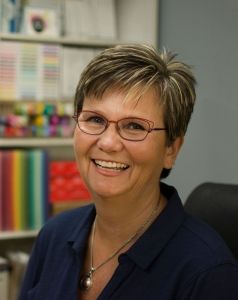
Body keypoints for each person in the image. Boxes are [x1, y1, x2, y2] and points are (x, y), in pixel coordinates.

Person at [19, 44, 238, 300]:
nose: (108, 143)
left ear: (171, 149)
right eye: (95, 119)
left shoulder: (208, 274)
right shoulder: (54, 235)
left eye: (134, 126)